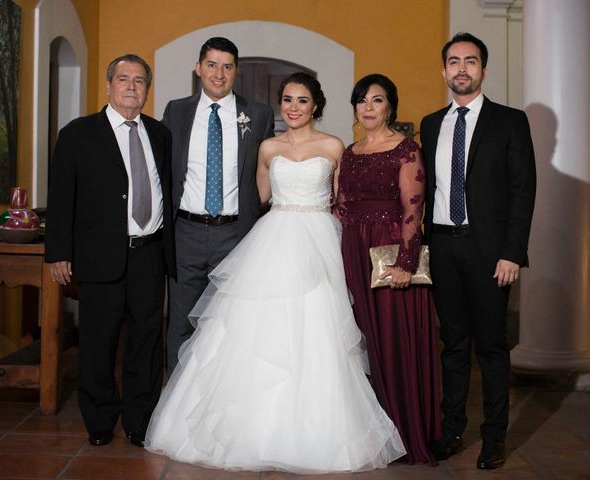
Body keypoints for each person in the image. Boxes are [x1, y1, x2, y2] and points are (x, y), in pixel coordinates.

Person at [145, 72, 404, 473]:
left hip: (320, 238)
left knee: (319, 331)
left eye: (301, 100)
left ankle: (314, 429)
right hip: (274, 237)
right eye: (286, 99)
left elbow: (344, 202)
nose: (292, 107)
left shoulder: (335, 146)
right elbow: (257, 199)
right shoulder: (267, 147)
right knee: (256, 331)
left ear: (315, 105)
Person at [45, 54, 176, 447]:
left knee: (147, 342)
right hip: (100, 255)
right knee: (98, 343)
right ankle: (100, 420)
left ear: (147, 90)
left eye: (139, 81)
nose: (131, 87)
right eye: (123, 79)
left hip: (150, 254)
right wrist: (57, 252)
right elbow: (61, 196)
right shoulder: (78, 134)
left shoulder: (159, 133)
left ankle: (140, 420)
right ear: (108, 86)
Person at [420, 33, 536, 469]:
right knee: (452, 345)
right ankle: (452, 431)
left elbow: (522, 192)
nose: (462, 68)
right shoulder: (432, 124)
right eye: (454, 61)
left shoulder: (510, 121)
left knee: (490, 347)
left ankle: (493, 438)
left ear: (483, 69)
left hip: (491, 253)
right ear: (444, 70)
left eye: (470, 61)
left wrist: (512, 252)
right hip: (444, 248)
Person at [336, 74, 441, 465]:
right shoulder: (349, 151)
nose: (368, 107)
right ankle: (374, 436)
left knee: (395, 342)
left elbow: (414, 208)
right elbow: (342, 204)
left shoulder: (406, 149)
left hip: (391, 252)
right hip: (353, 251)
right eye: (362, 100)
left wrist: (405, 264)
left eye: (376, 100)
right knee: (363, 344)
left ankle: (405, 432)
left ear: (390, 107)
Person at [163, 37, 274, 375]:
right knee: (181, 323)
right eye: (211, 65)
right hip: (186, 233)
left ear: (236, 72)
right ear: (198, 68)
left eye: (227, 66)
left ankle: (224, 404)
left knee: (233, 322)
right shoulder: (176, 111)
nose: (219, 74)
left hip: (235, 234)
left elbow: (267, 173)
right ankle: (178, 406)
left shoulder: (257, 114)